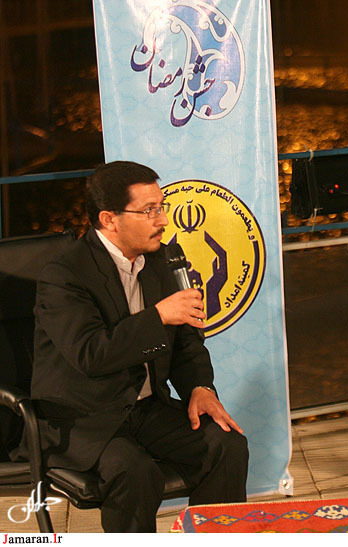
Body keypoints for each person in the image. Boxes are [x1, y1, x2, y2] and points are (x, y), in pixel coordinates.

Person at [27, 161, 249, 531]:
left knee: (225, 445)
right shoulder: (64, 275)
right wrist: (158, 317)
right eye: (149, 211)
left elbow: (186, 341)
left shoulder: (161, 260)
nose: (163, 220)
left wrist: (200, 386)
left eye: (161, 207)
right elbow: (92, 354)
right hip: (84, 420)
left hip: (146, 408)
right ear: (109, 219)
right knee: (135, 471)